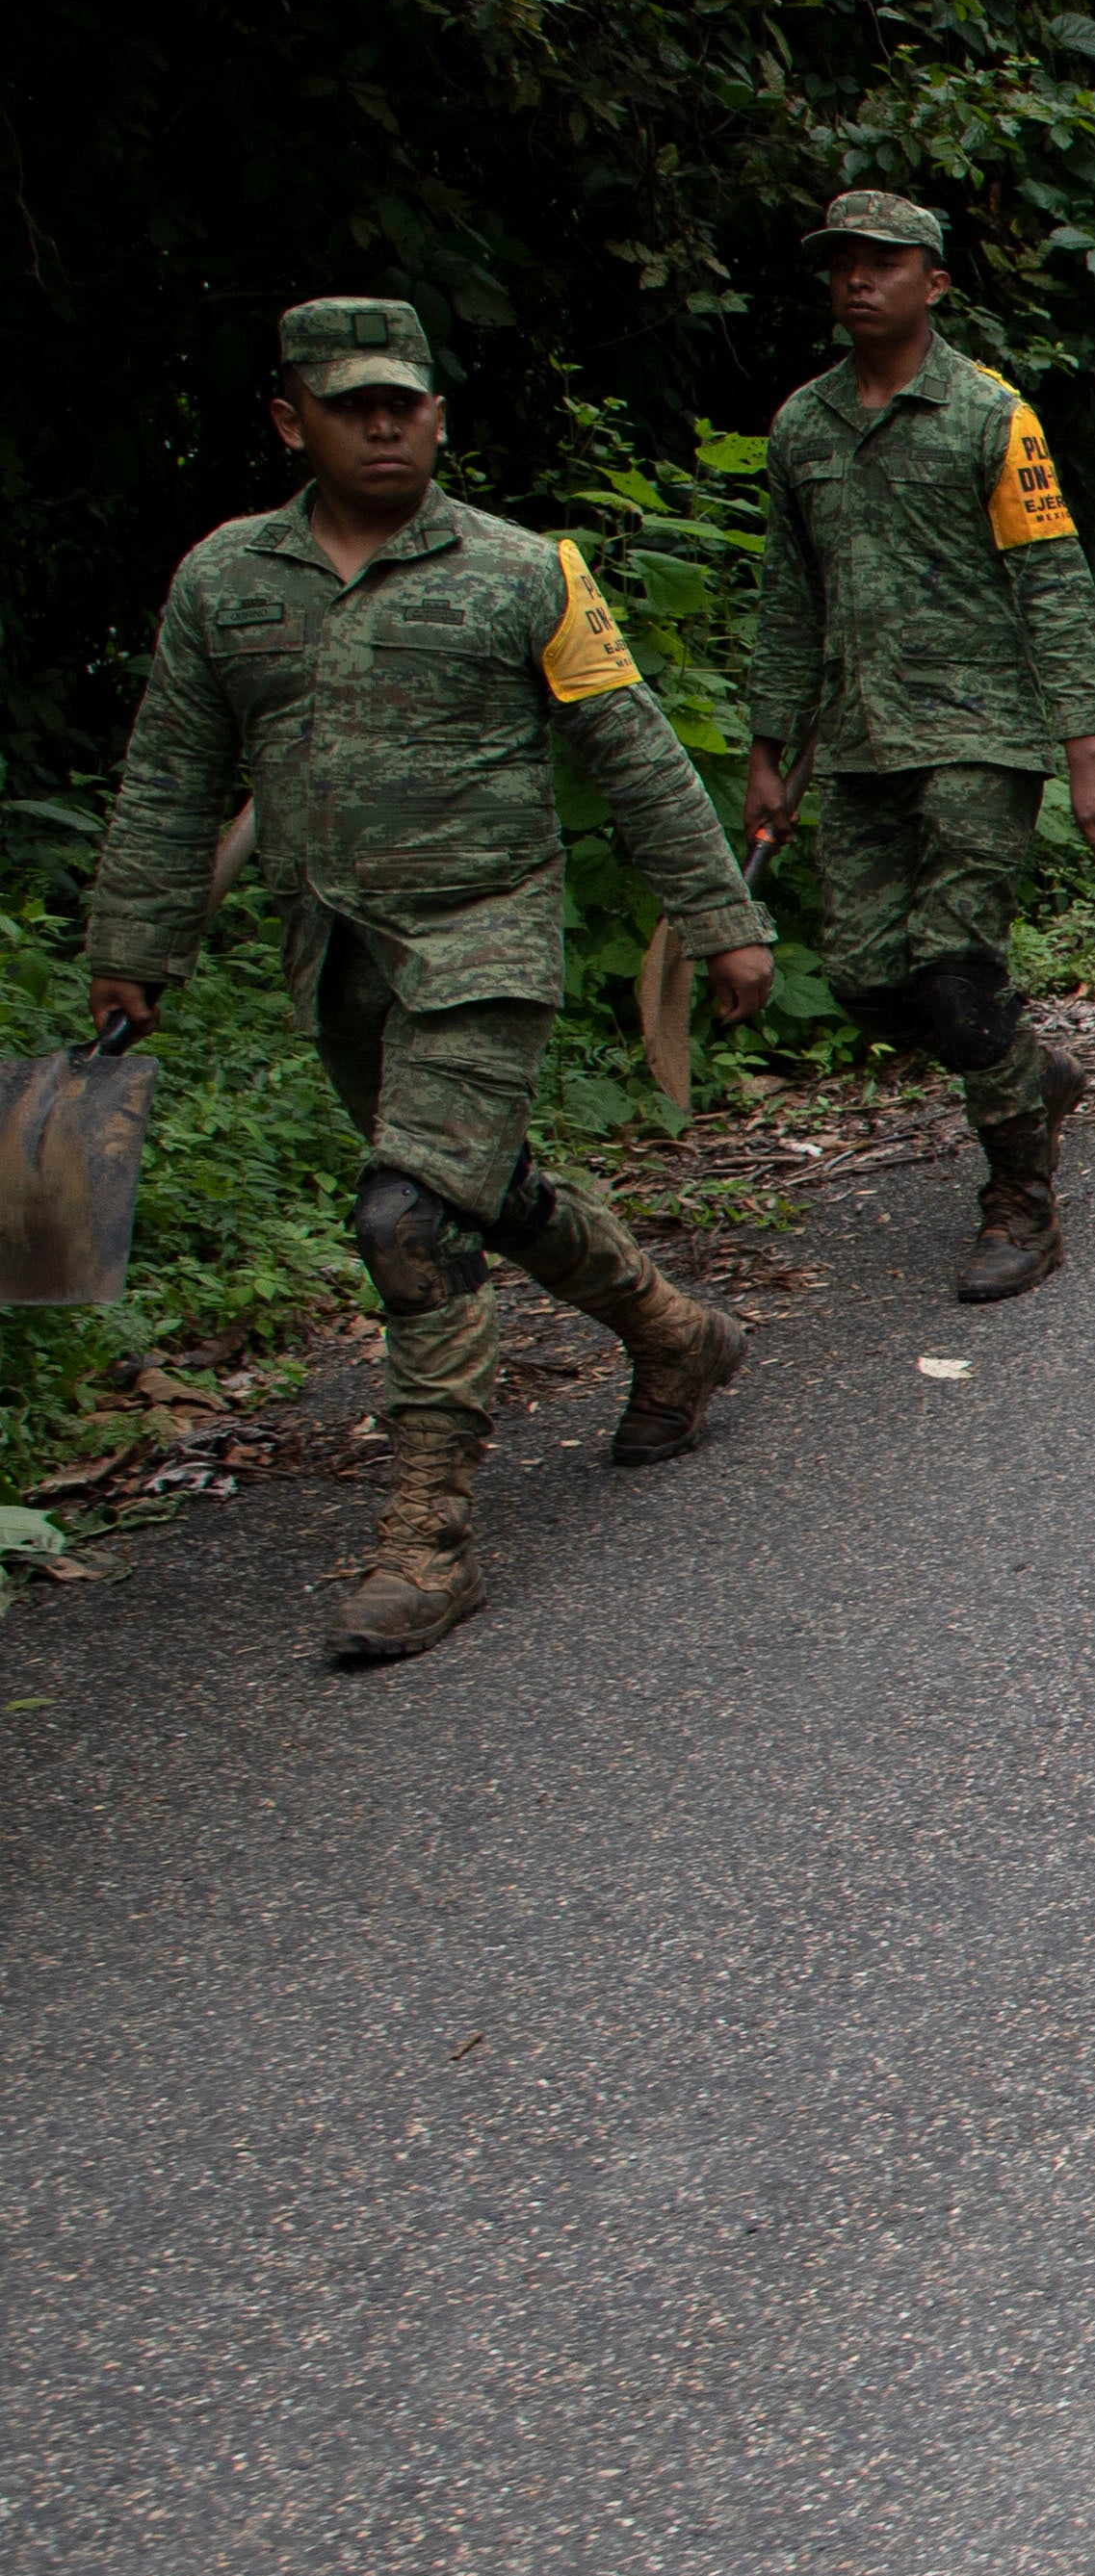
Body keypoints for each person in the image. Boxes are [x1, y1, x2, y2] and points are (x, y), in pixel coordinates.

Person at [80, 299, 773, 1663]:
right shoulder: (227, 583)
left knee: (405, 1214)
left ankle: (427, 1536)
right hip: (337, 951)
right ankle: (675, 1333)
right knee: (473, 1189)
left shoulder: (526, 571)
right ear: (293, 420)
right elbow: (170, 774)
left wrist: (719, 916)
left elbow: (631, 750)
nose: (386, 423)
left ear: (440, 414)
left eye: (407, 400)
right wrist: (136, 945)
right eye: (352, 405)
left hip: (486, 939)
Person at [750, 187, 1095, 1302]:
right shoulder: (803, 428)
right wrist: (768, 745)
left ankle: (1021, 1202)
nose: (858, 279)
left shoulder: (987, 414)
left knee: (955, 974)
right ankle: (1027, 1071)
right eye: (842, 263)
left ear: (935, 282)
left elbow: (1053, 585)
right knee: (869, 982)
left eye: (884, 261)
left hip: (982, 732)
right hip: (862, 742)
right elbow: (788, 597)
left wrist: (1084, 746)